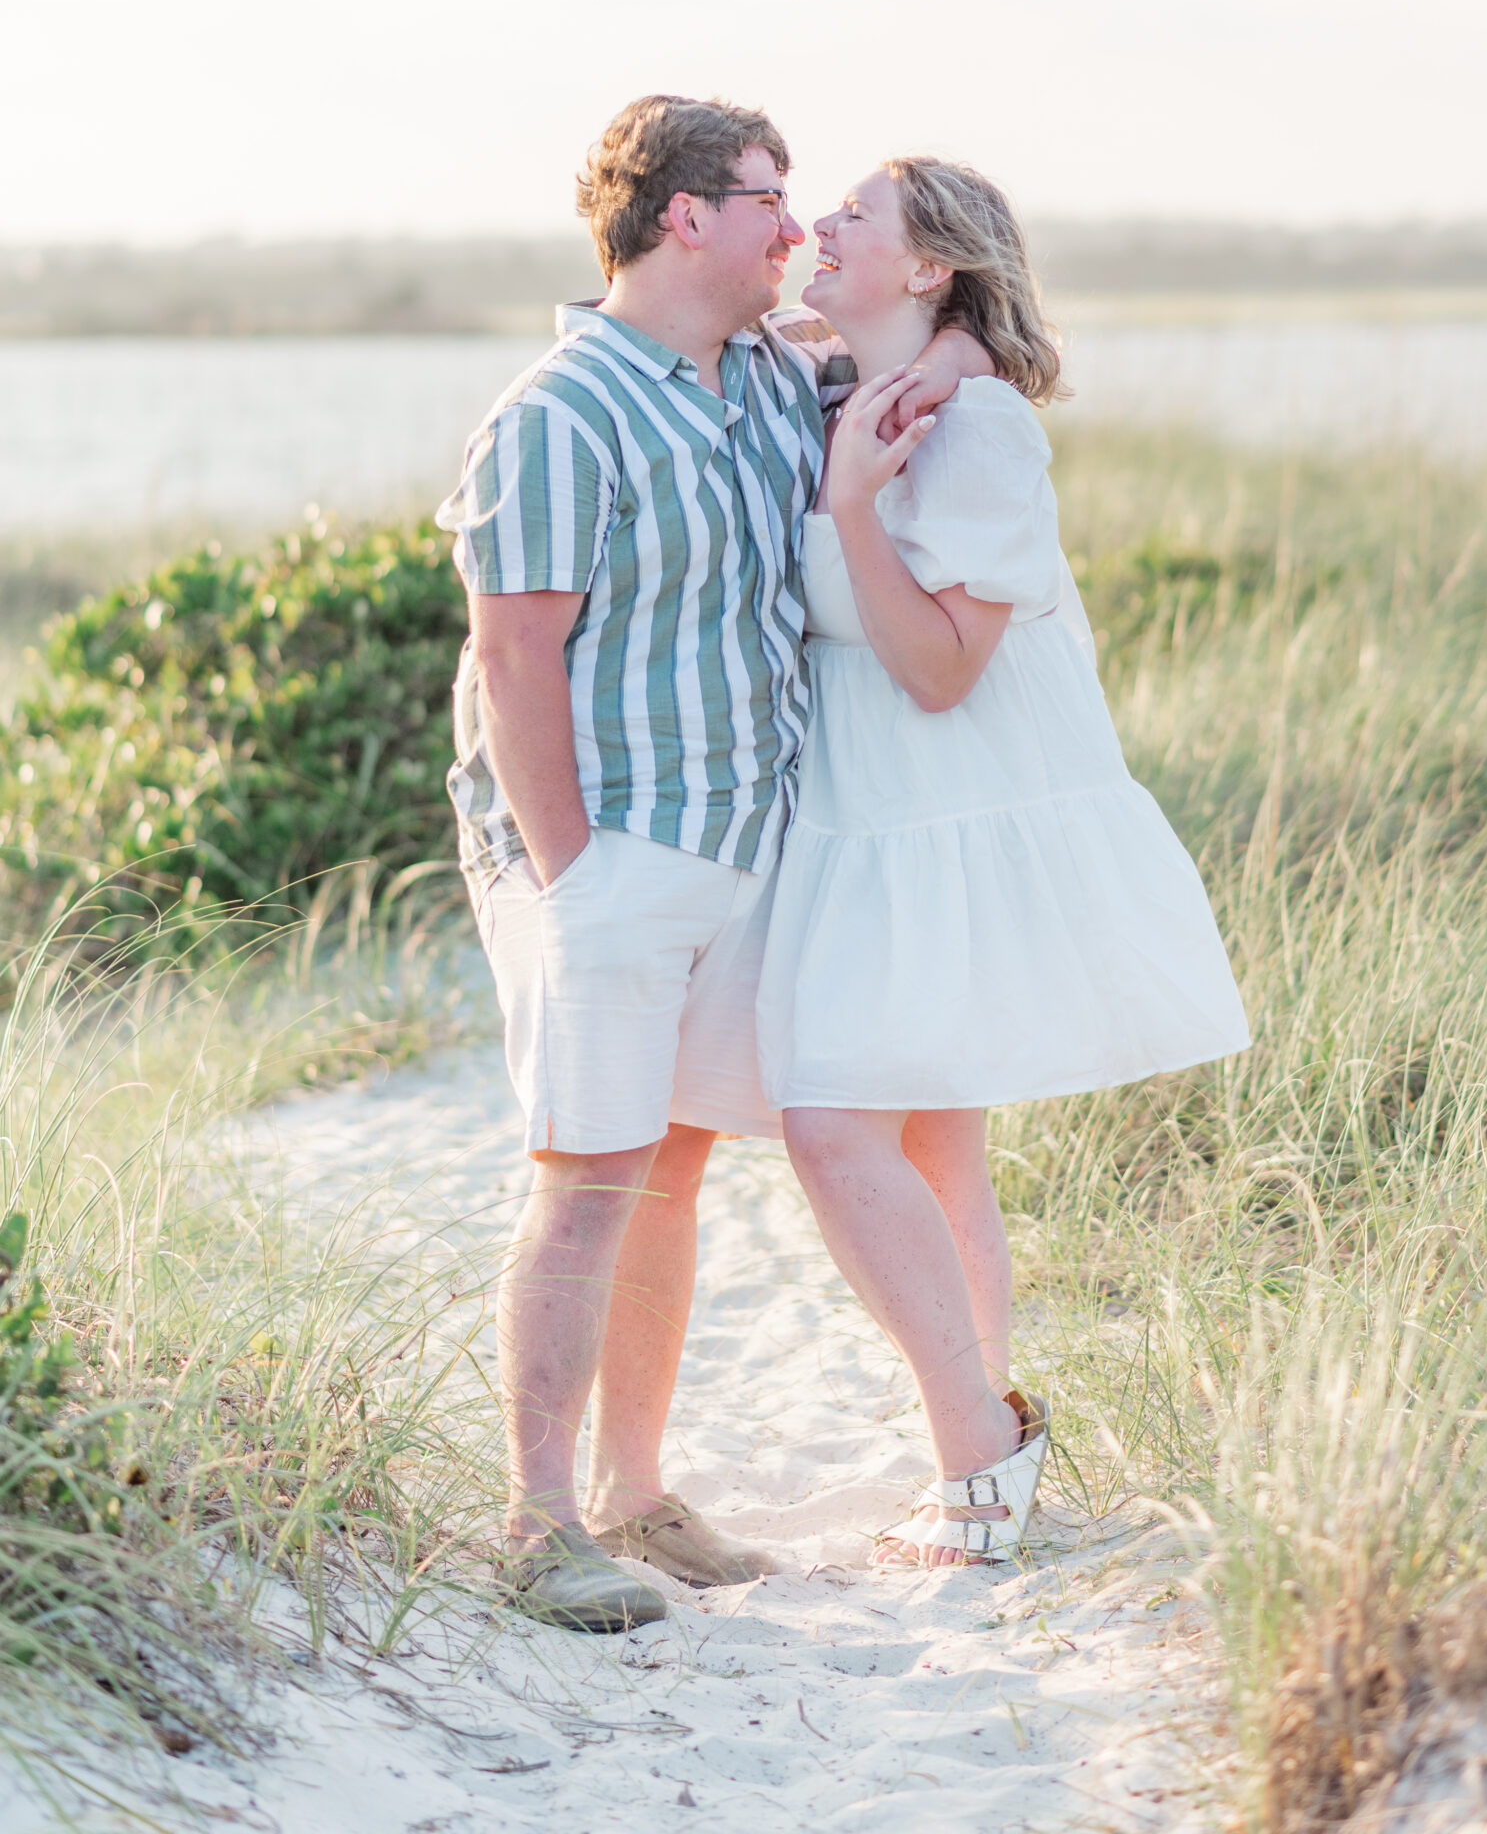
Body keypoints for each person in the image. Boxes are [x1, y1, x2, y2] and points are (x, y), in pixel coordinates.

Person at [435, 96, 988, 1631]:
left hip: (738, 842)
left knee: (667, 1164)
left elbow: (954, 348)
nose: (791, 225)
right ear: (682, 217)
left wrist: (946, 354)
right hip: (606, 850)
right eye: (764, 195)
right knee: (589, 1171)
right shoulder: (560, 411)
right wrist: (573, 875)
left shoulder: (755, 376)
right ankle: (538, 1520)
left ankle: (631, 1489)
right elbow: (511, 653)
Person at [757, 157, 1250, 1568]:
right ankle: (974, 1426)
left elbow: (939, 672)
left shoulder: (972, 434)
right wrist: (914, 364)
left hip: (945, 802)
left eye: (856, 215)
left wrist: (854, 500)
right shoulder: (836, 378)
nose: (822, 228)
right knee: (928, 1133)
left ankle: (978, 1435)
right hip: (867, 818)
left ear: (928, 268)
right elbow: (639, 326)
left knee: (832, 1123)